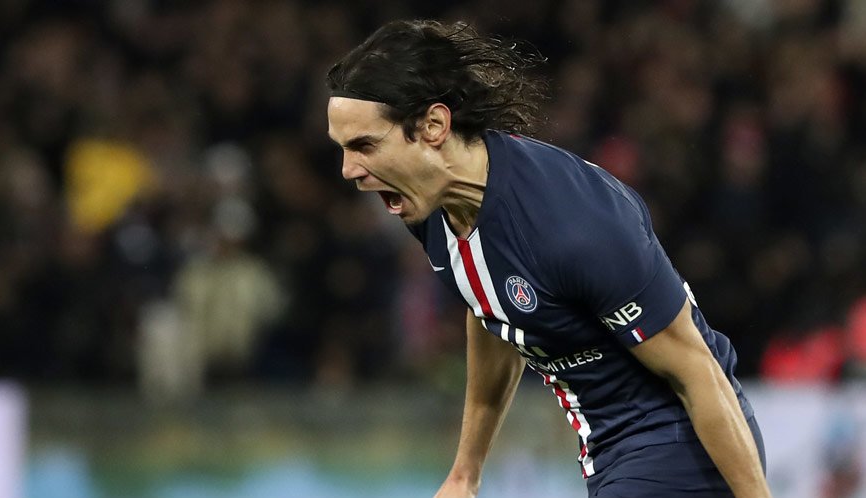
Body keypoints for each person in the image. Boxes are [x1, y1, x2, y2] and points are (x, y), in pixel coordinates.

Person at [325, 20, 771, 498]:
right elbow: (491, 306)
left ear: (433, 126)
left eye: (365, 145)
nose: (348, 170)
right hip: (609, 452)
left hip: (680, 443)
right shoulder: (433, 206)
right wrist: (465, 474)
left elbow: (699, 374)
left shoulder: (575, 225)